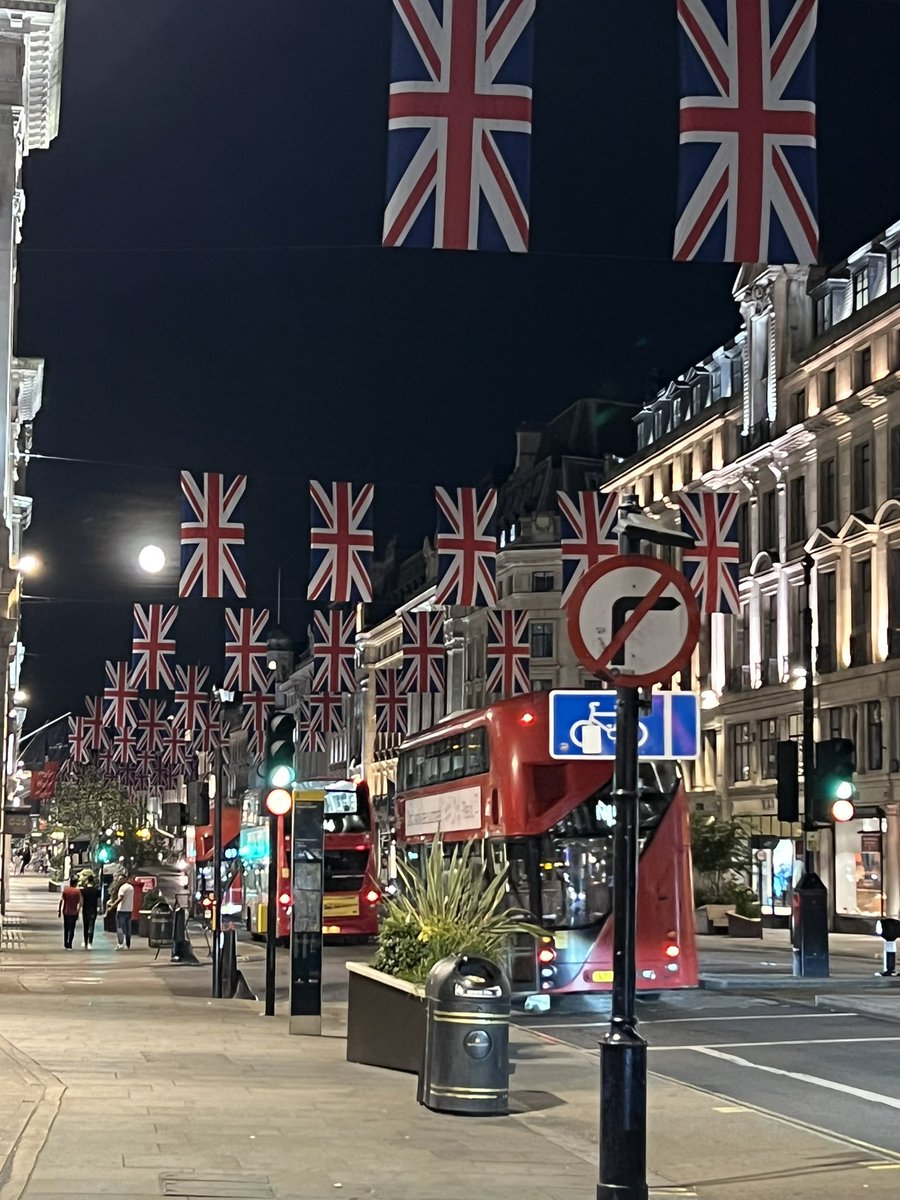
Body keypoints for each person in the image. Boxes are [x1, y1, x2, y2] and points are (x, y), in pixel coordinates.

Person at [111, 875, 135, 950]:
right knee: (128, 928)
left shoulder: (122, 888)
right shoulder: (131, 887)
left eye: (120, 879)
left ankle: (120, 944)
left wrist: (113, 906)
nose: (119, 881)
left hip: (121, 910)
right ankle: (128, 944)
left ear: (125, 879)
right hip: (129, 909)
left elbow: (120, 898)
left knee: (120, 927)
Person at [57, 875, 81, 949]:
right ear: (76, 883)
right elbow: (80, 903)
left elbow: (61, 900)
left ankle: (65, 943)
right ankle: (70, 943)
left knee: (66, 928)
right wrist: (78, 911)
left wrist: (59, 910)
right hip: (73, 913)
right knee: (72, 928)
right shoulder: (77, 891)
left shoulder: (66, 890)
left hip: (66, 912)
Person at [80, 872, 100, 949]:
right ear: (93, 881)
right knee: (92, 926)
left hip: (85, 910)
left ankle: (85, 942)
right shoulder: (96, 890)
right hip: (93, 910)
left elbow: (81, 900)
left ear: (87, 881)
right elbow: (98, 901)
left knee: (85, 926)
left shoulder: (84, 890)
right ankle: (90, 943)